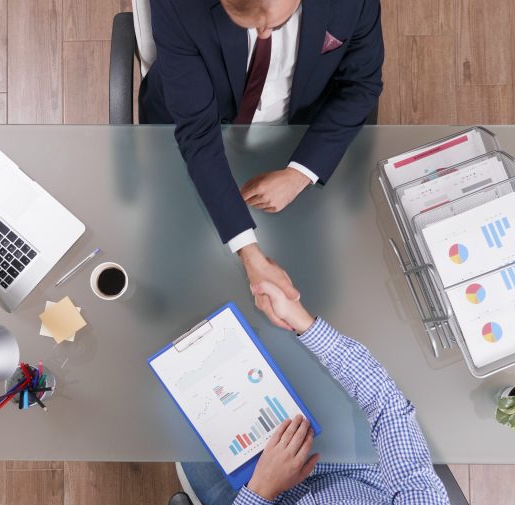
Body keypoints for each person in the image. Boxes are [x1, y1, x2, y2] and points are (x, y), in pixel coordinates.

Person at [182, 281, 461, 505]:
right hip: (346, 464)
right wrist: (303, 323)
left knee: (178, 391)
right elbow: (389, 409)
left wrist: (262, 490)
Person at [140, 0, 384, 329]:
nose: (263, 33)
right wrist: (248, 251)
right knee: (168, 296)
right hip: (193, 130)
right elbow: (198, 135)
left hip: (299, 141)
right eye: (249, 23)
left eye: (274, 24)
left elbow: (360, 86)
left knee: (319, 295)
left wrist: (300, 173)